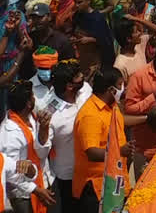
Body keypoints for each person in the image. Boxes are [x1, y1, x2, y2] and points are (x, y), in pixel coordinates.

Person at [73, 68, 132, 213]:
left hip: (114, 183)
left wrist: (146, 119)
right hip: (96, 189)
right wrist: (119, 151)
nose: (123, 89)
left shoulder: (112, 106)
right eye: (120, 85)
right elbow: (91, 152)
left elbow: (121, 122)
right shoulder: (90, 115)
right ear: (111, 90)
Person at [0, 80, 55, 211]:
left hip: (44, 180)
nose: (35, 98)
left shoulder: (32, 117)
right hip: (24, 195)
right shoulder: (9, 134)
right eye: (32, 96)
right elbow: (12, 172)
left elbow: (42, 152)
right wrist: (35, 189)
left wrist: (44, 129)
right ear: (28, 103)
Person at [48, 59, 92, 213]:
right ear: (69, 86)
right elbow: (42, 150)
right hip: (68, 175)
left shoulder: (86, 89)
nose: (82, 77)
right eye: (78, 76)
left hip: (90, 168)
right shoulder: (50, 114)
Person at [22, 3, 75, 80]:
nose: (37, 21)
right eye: (34, 18)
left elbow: (70, 67)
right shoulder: (30, 38)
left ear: (49, 17)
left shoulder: (62, 40)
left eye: (40, 17)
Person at [112, 18, 148, 84]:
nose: (140, 33)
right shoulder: (119, 65)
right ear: (129, 39)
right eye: (136, 31)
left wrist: (137, 19)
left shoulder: (139, 46)